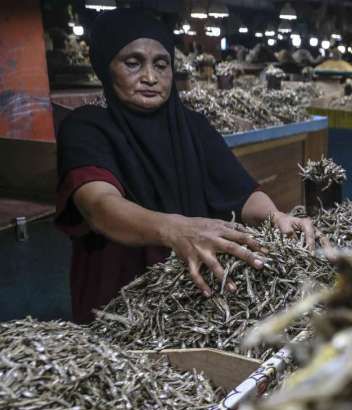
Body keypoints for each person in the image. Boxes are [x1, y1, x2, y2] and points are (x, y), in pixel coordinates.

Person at [56, 9, 315, 323]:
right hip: (120, 302)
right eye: (133, 63)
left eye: (161, 64)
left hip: (195, 294)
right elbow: (99, 205)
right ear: (105, 68)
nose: (150, 77)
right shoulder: (86, 128)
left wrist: (276, 216)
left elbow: (242, 192)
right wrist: (177, 230)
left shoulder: (193, 127)